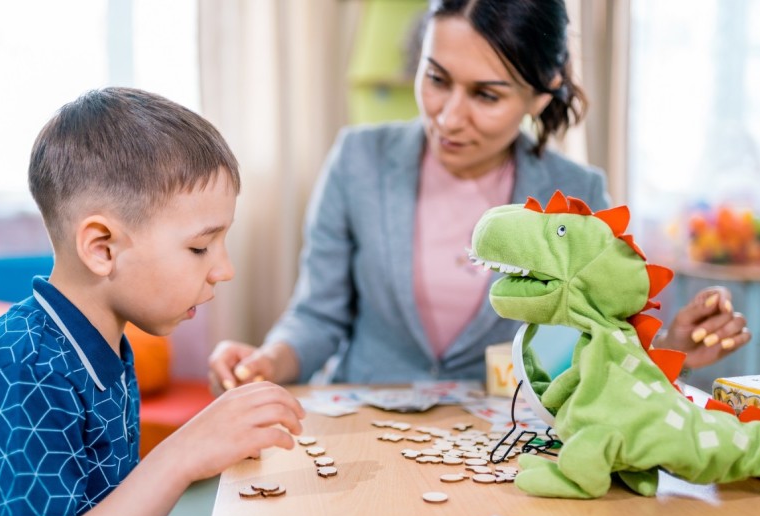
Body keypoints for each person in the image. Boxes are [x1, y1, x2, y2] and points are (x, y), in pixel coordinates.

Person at [209, 0, 750, 391]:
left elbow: (593, 349)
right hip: (364, 425)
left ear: (540, 95)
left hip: (506, 444)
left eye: (486, 95)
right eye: (436, 79)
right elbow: (319, 316)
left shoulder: (580, 196)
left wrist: (666, 344)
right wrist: (268, 360)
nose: (447, 117)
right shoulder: (358, 160)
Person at [0, 87, 305, 516]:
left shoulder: (94, 344)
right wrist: (183, 453)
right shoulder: (24, 370)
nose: (223, 269)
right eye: (199, 247)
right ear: (102, 248)